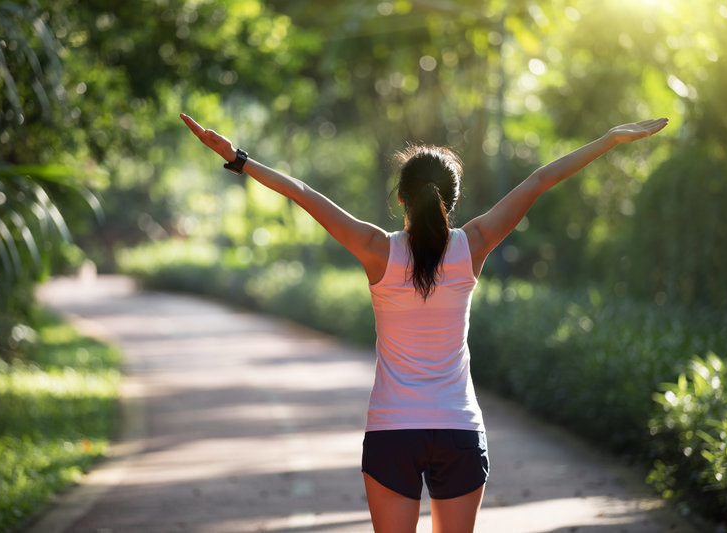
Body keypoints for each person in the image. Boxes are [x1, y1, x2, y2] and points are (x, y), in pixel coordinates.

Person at [181, 113, 668, 533]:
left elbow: (305, 194)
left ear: (400, 197)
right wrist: (609, 139)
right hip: (458, 430)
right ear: (451, 199)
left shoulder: (377, 250)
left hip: (392, 431)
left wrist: (239, 157)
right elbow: (538, 180)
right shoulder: (473, 245)